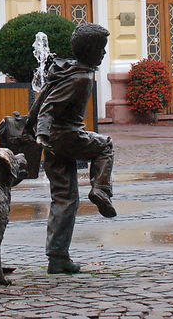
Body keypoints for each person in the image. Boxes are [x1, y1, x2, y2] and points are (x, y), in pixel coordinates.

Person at [25, 22, 115, 274]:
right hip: (65, 137)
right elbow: (49, 106)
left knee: (64, 197)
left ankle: (57, 257)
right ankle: (101, 190)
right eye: (101, 49)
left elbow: (42, 98)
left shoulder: (65, 69)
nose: (104, 54)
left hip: (54, 141)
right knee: (105, 145)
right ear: (90, 51)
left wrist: (39, 132)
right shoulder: (80, 77)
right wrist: (41, 132)